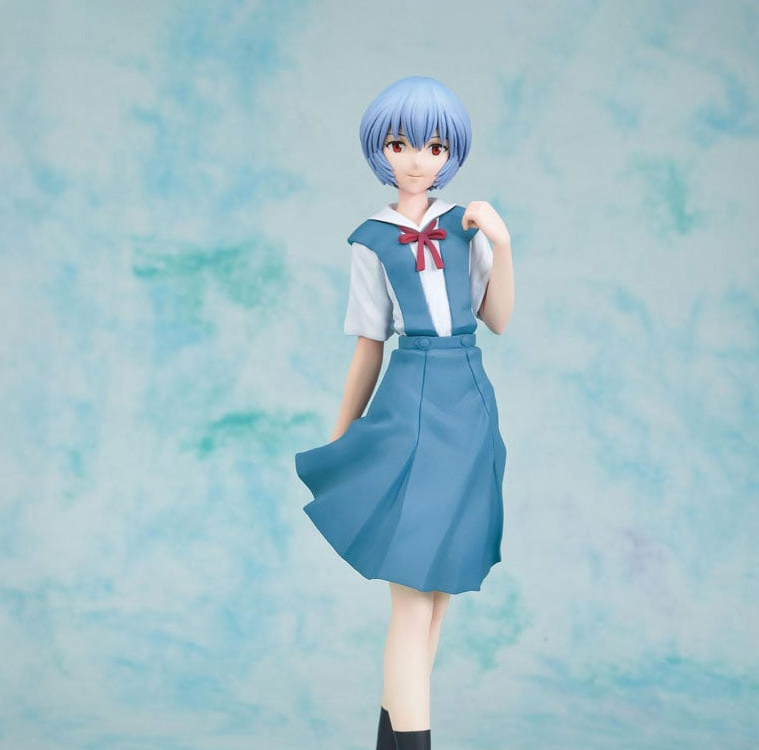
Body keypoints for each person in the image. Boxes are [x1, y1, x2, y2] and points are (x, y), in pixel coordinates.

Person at [294, 75, 515, 750]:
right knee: (412, 602)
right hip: (410, 406)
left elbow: (498, 319)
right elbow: (369, 345)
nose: (417, 159)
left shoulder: (466, 226)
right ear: (380, 150)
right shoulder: (371, 240)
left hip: (469, 408)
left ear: (450, 153)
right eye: (400, 144)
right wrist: (342, 439)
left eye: (434, 146)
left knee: (436, 601)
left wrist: (503, 245)